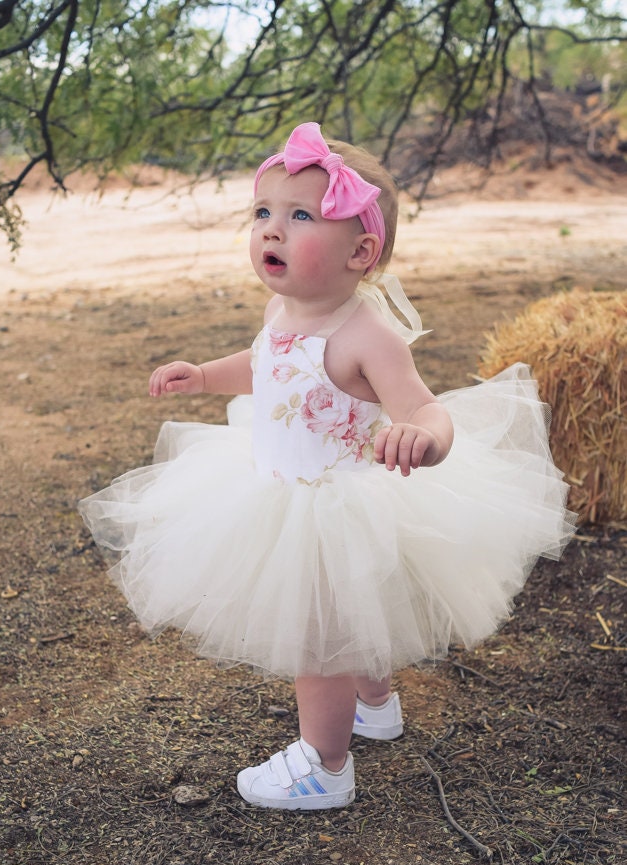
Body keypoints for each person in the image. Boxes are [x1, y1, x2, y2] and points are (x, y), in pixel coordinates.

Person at [79, 122, 574, 810]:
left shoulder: (366, 335)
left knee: (317, 641)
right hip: (274, 490)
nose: (271, 232)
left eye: (300, 216)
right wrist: (203, 375)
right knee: (351, 620)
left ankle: (325, 766)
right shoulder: (284, 307)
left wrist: (421, 440)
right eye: (263, 213)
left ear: (359, 251)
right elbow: (263, 364)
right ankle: (374, 705)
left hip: (330, 505)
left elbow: (427, 410)